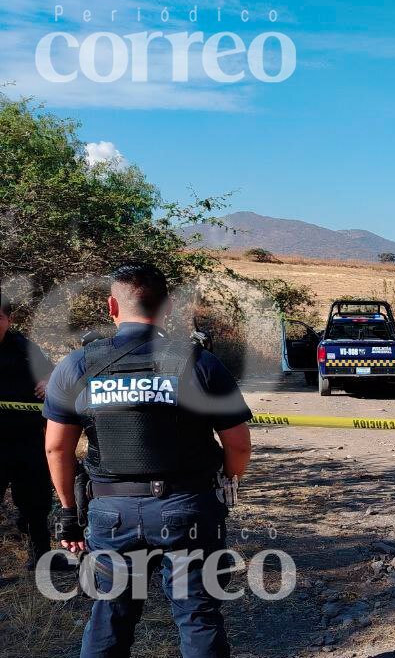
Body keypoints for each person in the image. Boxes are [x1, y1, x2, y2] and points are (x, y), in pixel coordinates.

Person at [42, 263, 253, 658]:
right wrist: (228, 484)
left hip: (110, 513)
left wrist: (69, 513)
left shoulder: (77, 365)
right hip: (187, 507)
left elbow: (57, 448)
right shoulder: (199, 363)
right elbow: (238, 443)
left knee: (110, 615)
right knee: (198, 616)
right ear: (168, 307)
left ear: (112, 307)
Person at [0, 297, 57, 570]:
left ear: (8, 320)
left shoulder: (24, 347)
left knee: (37, 502)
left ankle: (42, 559)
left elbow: (55, 377)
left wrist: (48, 384)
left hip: (28, 438)